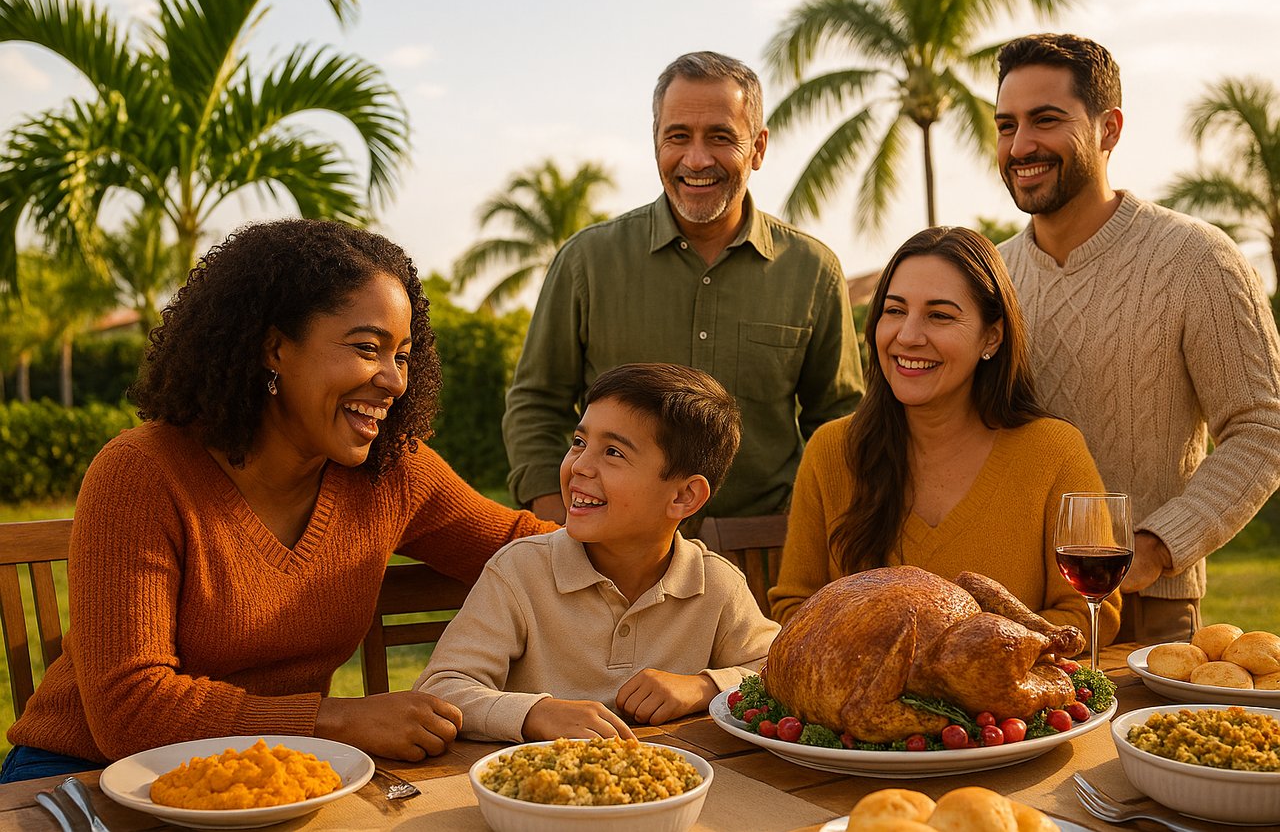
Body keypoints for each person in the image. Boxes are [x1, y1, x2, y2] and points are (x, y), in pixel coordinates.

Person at [0, 220, 555, 783]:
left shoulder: (391, 472)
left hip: (268, 781)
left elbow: (531, 551)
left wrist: (639, 513)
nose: (393, 381)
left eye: (404, 356)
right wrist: (335, 722)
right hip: (78, 780)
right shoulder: (143, 473)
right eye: (367, 348)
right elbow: (131, 709)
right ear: (274, 348)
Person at [994, 34, 1280, 642]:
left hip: (1146, 609)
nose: (1022, 146)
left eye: (1046, 120)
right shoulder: (988, 276)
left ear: (1109, 129)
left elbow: (1264, 429)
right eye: (1006, 124)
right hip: (1012, 611)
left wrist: (1155, 546)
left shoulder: (1198, 259)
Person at [503, 50, 863, 529]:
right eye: (678, 136)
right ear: (656, 143)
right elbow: (536, 403)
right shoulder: (586, 262)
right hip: (610, 556)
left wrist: (800, 531)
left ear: (757, 147)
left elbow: (838, 422)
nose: (696, 159)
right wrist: (560, 522)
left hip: (762, 557)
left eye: (720, 137)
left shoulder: (813, 271)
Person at [768, 226, 1120, 646]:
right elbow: (796, 608)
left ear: (992, 336)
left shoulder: (1054, 451)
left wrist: (955, 660)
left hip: (1010, 709)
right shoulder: (831, 450)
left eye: (939, 315)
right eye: (895, 311)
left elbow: (1088, 615)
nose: (909, 336)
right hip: (864, 709)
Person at [416, 363, 779, 742]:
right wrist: (533, 713)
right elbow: (441, 689)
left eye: (613, 452)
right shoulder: (520, 571)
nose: (580, 466)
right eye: (578, 442)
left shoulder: (716, 584)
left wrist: (704, 686)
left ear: (683, 496)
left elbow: (778, 669)